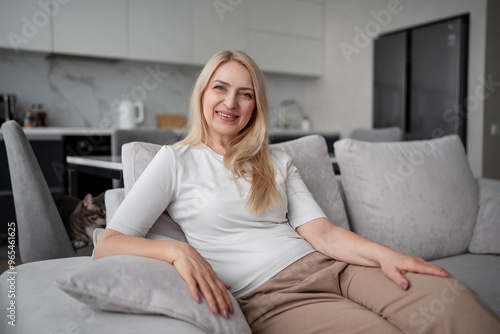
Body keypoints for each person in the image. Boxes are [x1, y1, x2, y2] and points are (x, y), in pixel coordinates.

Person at [94, 50, 500, 333]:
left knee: (450, 299)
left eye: (245, 93)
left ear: (256, 106)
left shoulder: (275, 160)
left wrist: (387, 256)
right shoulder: (174, 160)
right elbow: (106, 244)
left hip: (334, 268)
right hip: (272, 297)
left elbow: (321, 234)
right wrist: (176, 251)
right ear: (202, 94)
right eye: (220, 88)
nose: (230, 102)